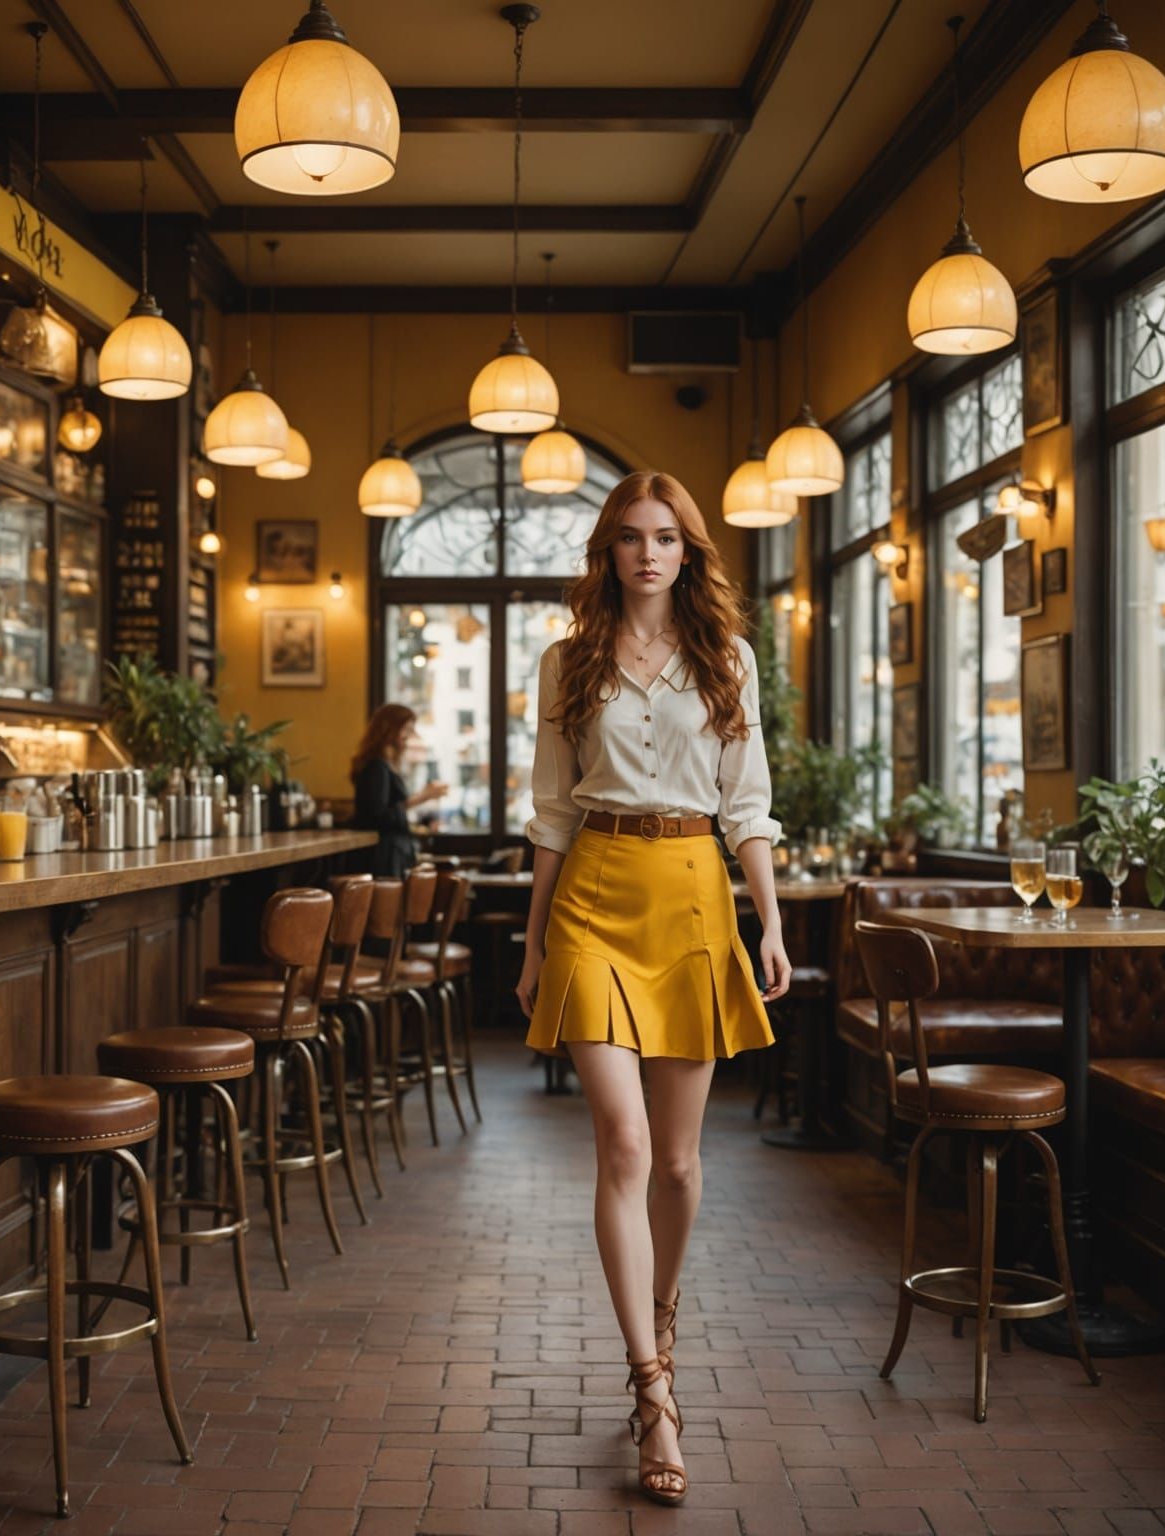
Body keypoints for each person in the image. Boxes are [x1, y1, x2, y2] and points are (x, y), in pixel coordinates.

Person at [516, 469, 791, 1507]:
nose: (647, 553)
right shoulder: (566, 663)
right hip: (593, 893)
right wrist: (534, 941)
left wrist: (768, 922)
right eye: (629, 537)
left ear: (688, 553)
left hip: (690, 901)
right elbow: (549, 814)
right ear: (609, 552)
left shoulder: (728, 660)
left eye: (665, 538)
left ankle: (660, 1317)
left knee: (677, 1161)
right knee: (623, 1145)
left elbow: (747, 805)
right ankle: (653, 1390)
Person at [349, 703, 448, 878]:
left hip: (392, 852)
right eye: (407, 729)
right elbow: (378, 815)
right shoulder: (377, 766)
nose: (410, 735)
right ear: (390, 729)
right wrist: (423, 796)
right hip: (383, 856)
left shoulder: (385, 765)